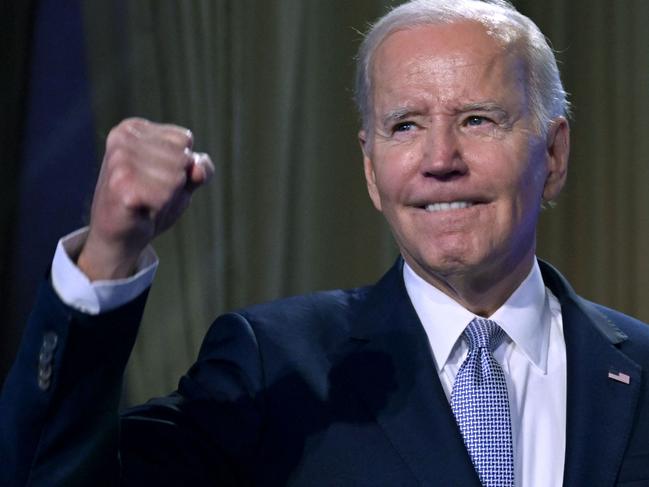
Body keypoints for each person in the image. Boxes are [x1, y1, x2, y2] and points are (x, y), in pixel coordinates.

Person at [2, 0, 649, 485]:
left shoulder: (640, 373)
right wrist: (108, 255)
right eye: (404, 125)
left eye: (477, 119)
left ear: (554, 154)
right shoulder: (275, 368)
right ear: (371, 169)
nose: (439, 158)